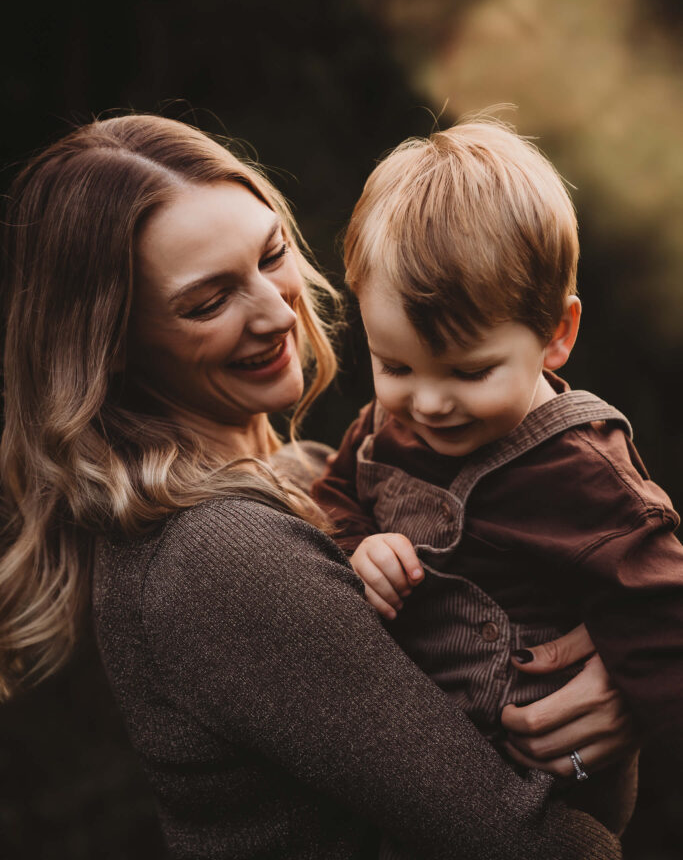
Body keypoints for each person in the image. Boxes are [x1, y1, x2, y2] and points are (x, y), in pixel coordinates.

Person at [0, 114, 631, 860]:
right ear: (111, 346)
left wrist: (622, 678)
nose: (277, 310)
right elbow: (526, 842)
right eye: (207, 302)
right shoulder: (214, 554)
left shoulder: (322, 477)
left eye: (271, 255)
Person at [313, 118, 683, 835]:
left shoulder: (580, 471)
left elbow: (668, 618)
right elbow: (332, 493)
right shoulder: (386, 424)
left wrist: (635, 700)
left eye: (468, 371)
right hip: (421, 791)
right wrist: (356, 544)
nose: (426, 402)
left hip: (546, 799)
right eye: (394, 366)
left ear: (556, 334)